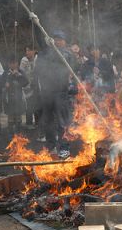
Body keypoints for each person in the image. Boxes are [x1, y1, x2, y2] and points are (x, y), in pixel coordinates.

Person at [34, 29, 74, 158]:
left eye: (60, 39)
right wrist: (36, 25)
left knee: (63, 122)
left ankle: (64, 148)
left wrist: (52, 48)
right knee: (48, 121)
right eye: (55, 39)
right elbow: (40, 45)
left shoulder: (66, 54)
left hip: (61, 92)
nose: (57, 41)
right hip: (47, 92)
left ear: (64, 42)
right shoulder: (46, 53)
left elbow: (63, 59)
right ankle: (51, 147)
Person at [4, 57, 29, 136]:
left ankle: (18, 133)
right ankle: (10, 134)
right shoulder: (6, 73)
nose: (13, 65)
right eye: (11, 63)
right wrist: (11, 76)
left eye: (15, 63)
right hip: (9, 98)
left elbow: (26, 82)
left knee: (18, 116)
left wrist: (18, 75)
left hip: (19, 97)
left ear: (18, 63)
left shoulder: (21, 72)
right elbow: (4, 83)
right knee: (10, 116)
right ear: (8, 64)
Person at [20, 45, 38, 130]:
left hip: (37, 84)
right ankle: (29, 123)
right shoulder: (24, 61)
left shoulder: (37, 59)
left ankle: (38, 122)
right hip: (27, 86)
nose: (27, 52)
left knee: (37, 104)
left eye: (30, 50)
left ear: (34, 51)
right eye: (26, 50)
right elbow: (22, 73)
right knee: (29, 105)